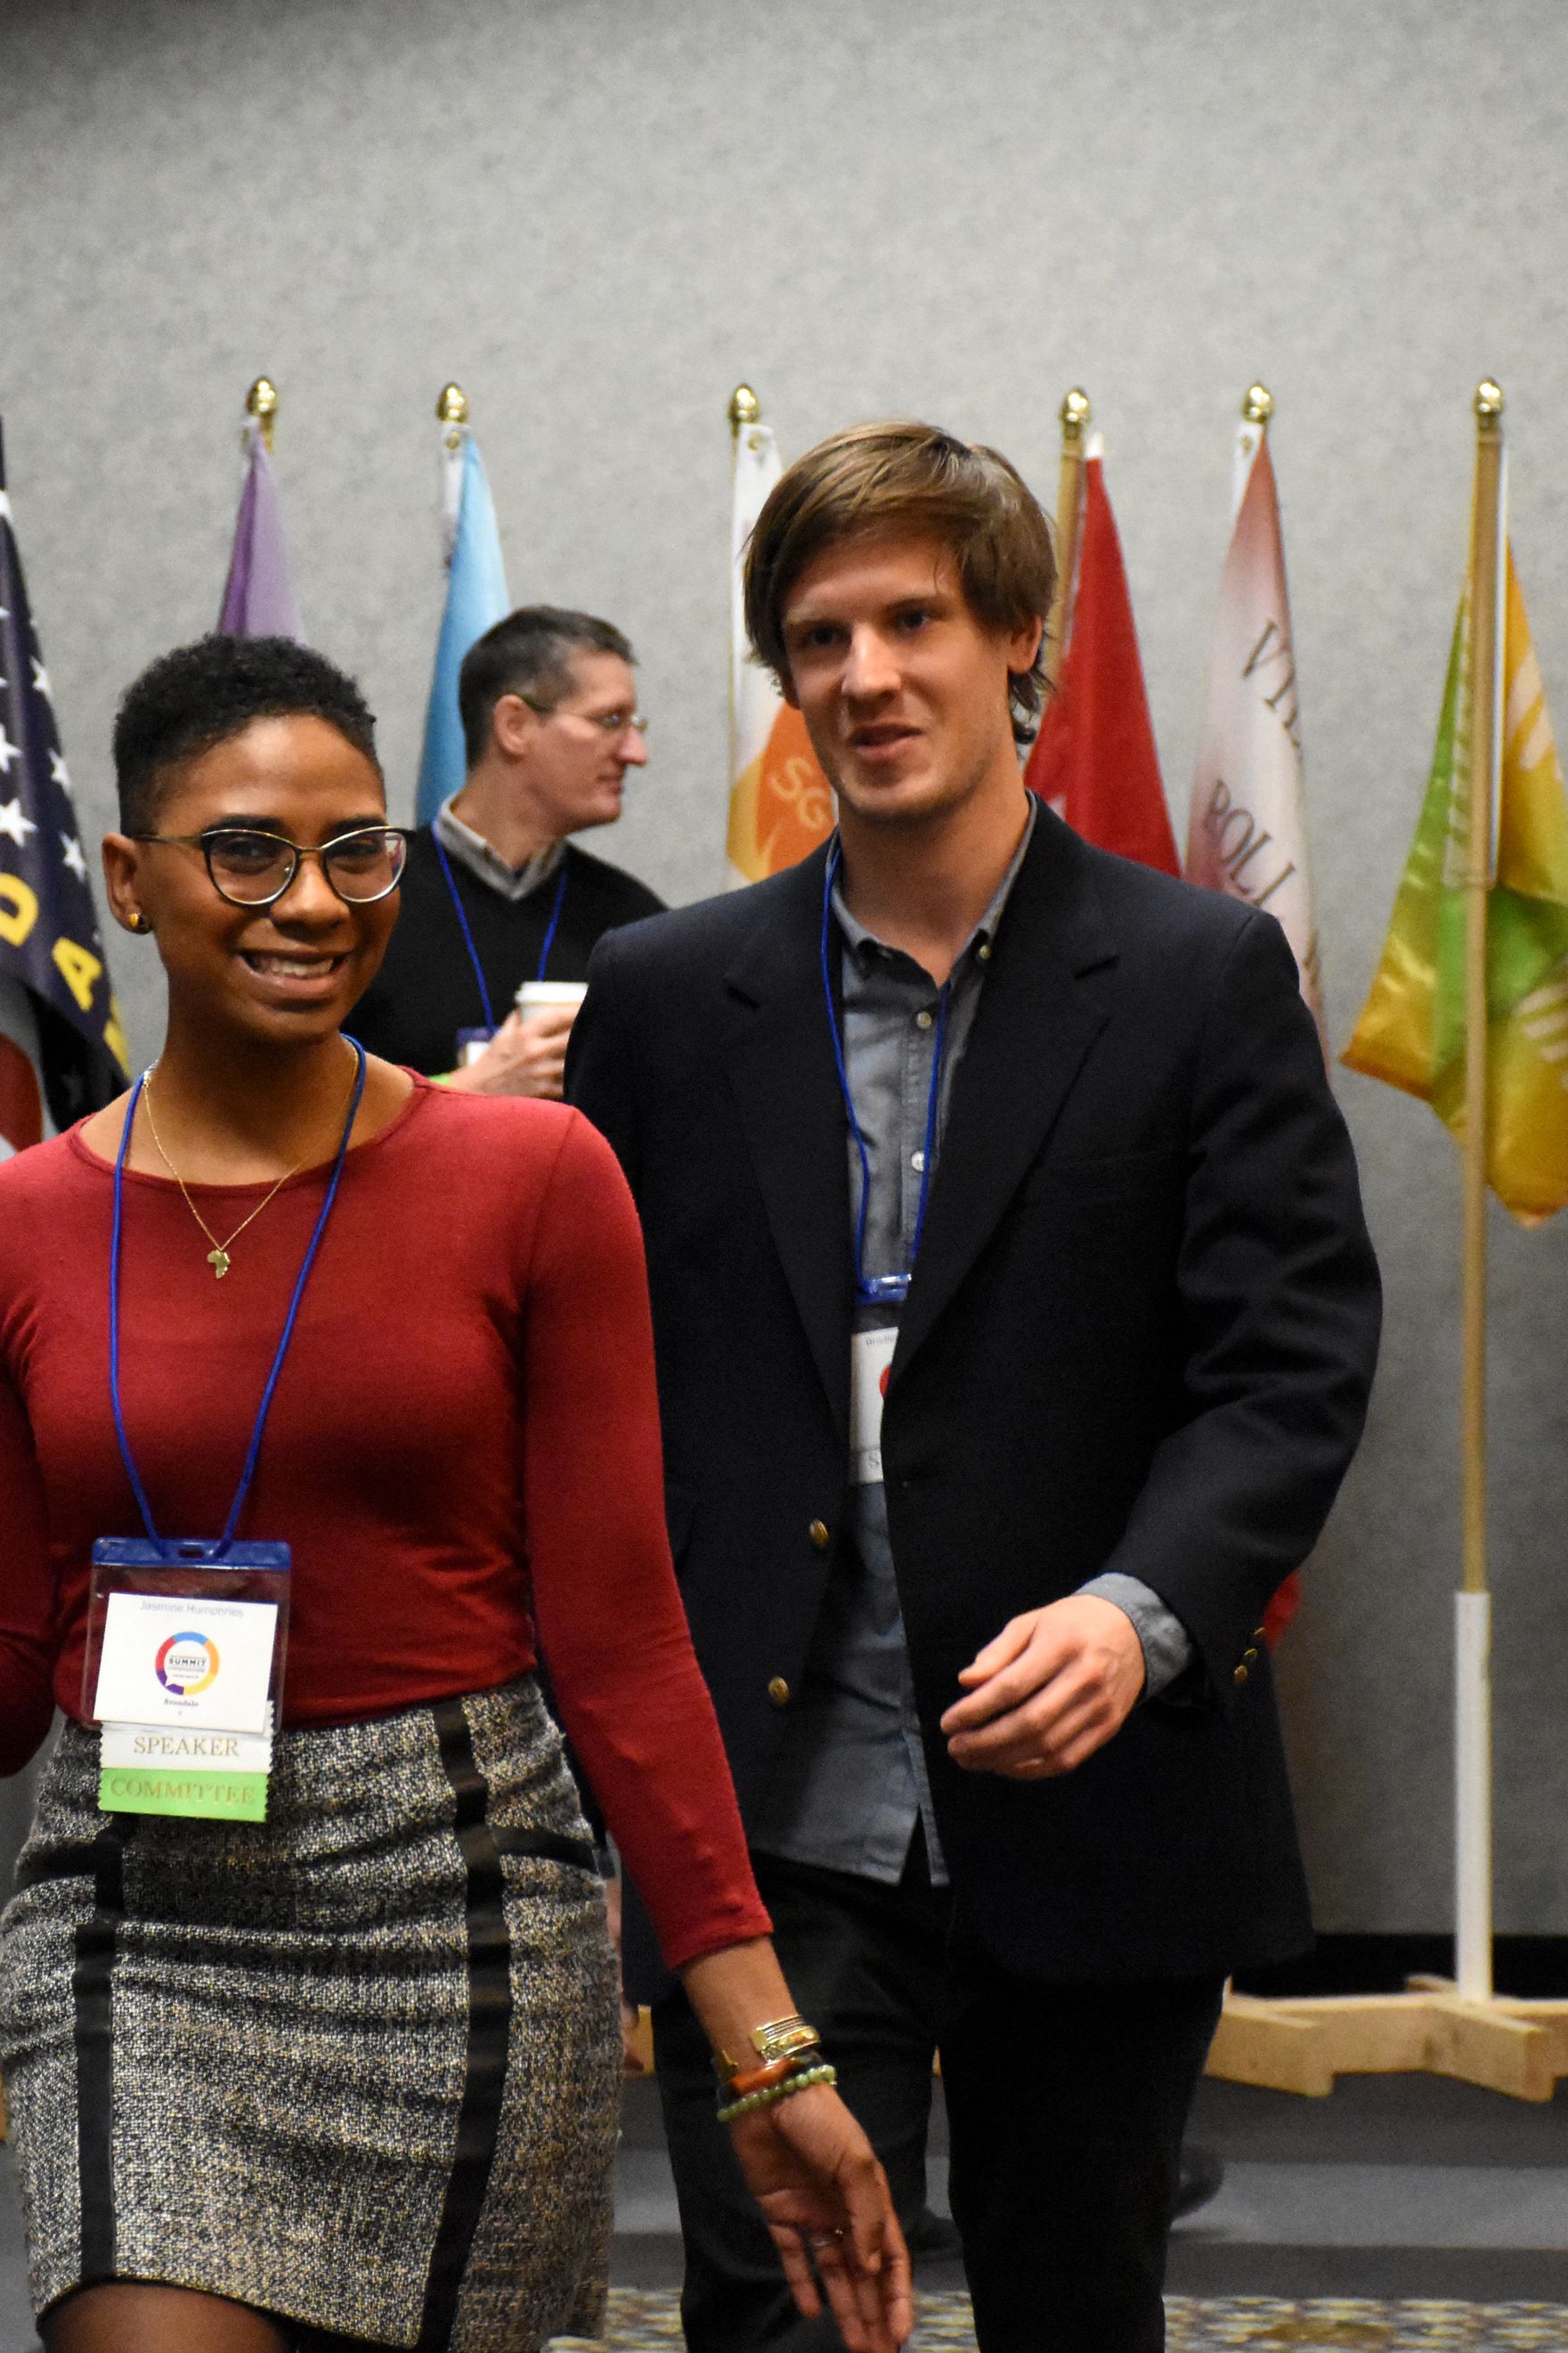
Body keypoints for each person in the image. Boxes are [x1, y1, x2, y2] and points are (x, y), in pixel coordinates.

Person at [0, 633, 911, 2353]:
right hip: (141, 1920)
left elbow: (619, 1640)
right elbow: (3, 1695)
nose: (309, 901)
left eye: (353, 850)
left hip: (460, 1909)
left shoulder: (535, 1177)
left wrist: (766, 2044)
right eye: (245, 851)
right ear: (131, 882)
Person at [566, 422, 1381, 2352]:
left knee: (1076, 2308)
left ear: (1021, 636)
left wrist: (1143, 1611)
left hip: (1095, 1794)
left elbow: (1286, 1362)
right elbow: (595, 1389)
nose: (866, 677)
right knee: (772, 2316)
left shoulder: (1196, 977)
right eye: (820, 637)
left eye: (914, 618)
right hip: (770, 1811)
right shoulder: (673, 1000)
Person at [345, 607, 662, 1097]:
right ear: (514, 725)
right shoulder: (363, 892)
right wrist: (465, 1092)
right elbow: (296, 1109)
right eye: (610, 720)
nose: (635, 753)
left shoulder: (637, 923)